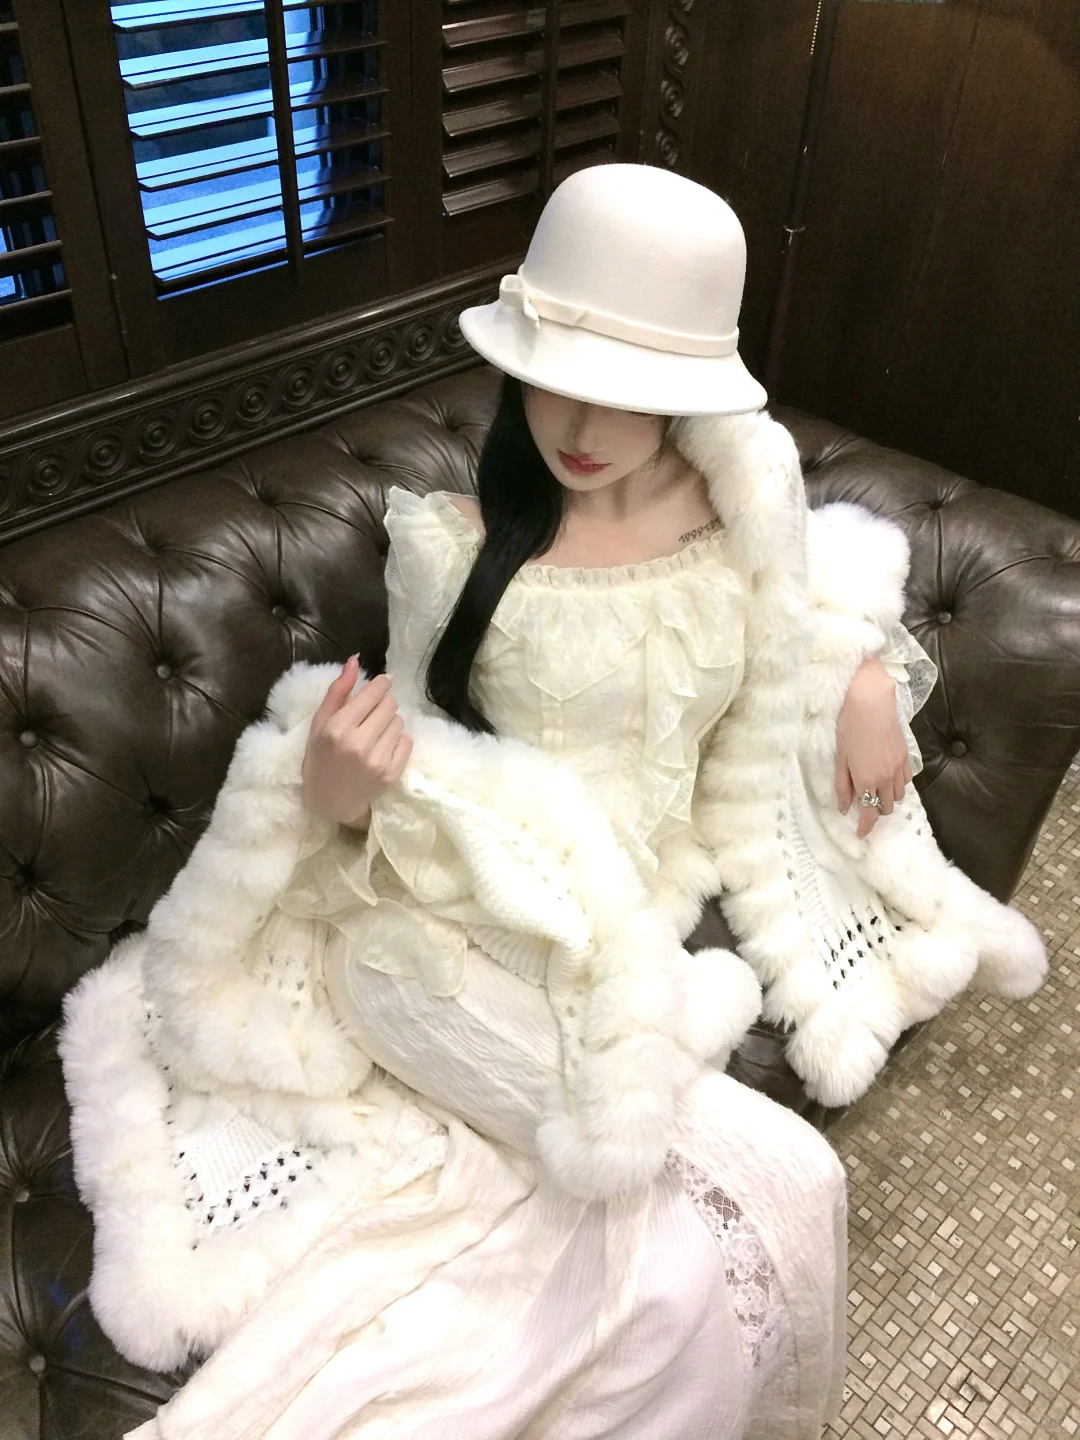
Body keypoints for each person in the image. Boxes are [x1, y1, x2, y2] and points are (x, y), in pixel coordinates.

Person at [61, 163, 1046, 1440]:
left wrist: (859, 672)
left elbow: (788, 618)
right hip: (423, 937)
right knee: (782, 1180)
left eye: (623, 390)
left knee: (697, 1251)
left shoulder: (739, 512)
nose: (575, 422)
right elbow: (417, 749)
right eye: (549, 376)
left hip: (609, 941)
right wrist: (337, 794)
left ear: (686, 392)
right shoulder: (455, 543)